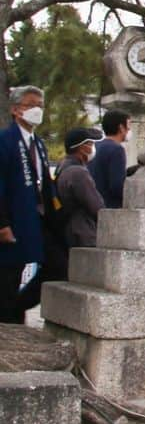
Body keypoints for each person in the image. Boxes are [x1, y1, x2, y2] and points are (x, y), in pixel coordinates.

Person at [0, 86, 63, 322]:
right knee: (8, 277)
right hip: (12, 221)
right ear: (16, 110)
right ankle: (8, 323)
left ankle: (18, 307)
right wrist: (2, 223)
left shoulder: (39, 144)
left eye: (40, 105)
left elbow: (46, 186)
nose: (37, 109)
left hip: (37, 219)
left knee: (58, 265)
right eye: (31, 104)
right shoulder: (5, 141)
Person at [55, 127, 106, 249]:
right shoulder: (78, 173)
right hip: (82, 232)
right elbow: (96, 206)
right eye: (91, 144)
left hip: (68, 231)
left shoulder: (62, 166)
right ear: (83, 148)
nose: (93, 148)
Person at [89, 108, 130, 209]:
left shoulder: (95, 146)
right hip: (109, 206)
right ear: (121, 127)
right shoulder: (117, 150)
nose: (129, 130)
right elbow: (117, 186)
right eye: (128, 126)